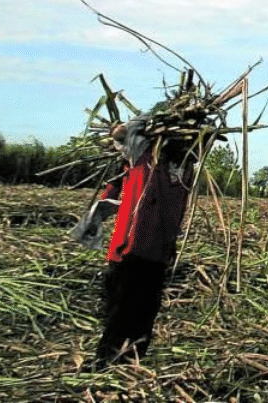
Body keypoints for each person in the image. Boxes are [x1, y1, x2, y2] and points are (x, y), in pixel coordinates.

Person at [82, 114, 194, 368]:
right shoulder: (143, 159)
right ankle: (105, 364)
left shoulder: (185, 171)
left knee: (144, 316)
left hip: (158, 255)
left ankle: (132, 365)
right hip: (129, 251)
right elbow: (122, 132)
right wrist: (150, 121)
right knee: (119, 313)